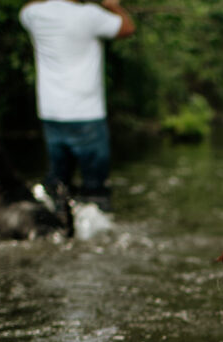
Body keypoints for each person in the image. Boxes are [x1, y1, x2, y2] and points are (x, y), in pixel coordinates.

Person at [19, 0, 135, 212]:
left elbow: (28, 7)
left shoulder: (33, 14)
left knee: (58, 185)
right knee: (95, 190)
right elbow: (127, 28)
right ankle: (95, 234)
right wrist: (113, 5)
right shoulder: (89, 15)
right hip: (87, 114)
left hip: (51, 114)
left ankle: (58, 227)